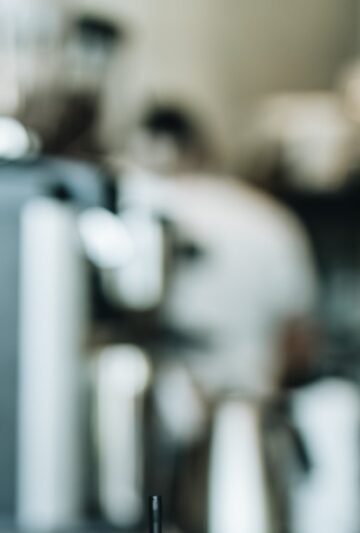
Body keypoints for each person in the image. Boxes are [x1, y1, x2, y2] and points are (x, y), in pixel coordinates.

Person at [119, 102, 318, 405]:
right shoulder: (268, 217)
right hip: (250, 404)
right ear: (204, 149)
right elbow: (298, 341)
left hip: (149, 405)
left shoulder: (133, 205)